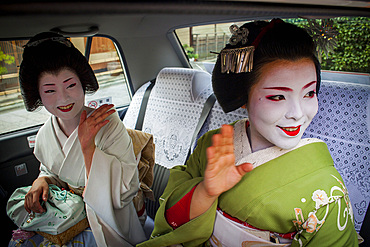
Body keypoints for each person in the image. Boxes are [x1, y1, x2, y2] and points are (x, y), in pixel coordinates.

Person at [138, 19, 359, 246]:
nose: (297, 113)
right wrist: (205, 192)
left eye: (310, 93)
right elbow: (172, 218)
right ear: (244, 98)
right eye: (278, 96)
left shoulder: (327, 192)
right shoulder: (211, 145)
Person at [12, 32, 146, 246]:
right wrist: (42, 180)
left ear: (82, 83)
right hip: (67, 217)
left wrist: (88, 147)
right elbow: (52, 170)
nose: (63, 98)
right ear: (37, 94)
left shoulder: (108, 124)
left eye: (70, 85)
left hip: (110, 220)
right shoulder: (45, 134)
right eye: (49, 90)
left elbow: (127, 190)